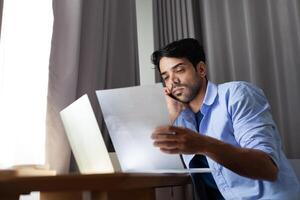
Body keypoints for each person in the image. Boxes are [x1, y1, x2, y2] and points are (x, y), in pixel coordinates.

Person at [150, 38, 300, 199]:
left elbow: (267, 168)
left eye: (179, 70)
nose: (172, 81)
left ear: (201, 69)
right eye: (166, 76)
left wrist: (203, 144)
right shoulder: (180, 118)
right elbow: (156, 168)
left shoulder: (236, 94)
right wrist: (172, 117)